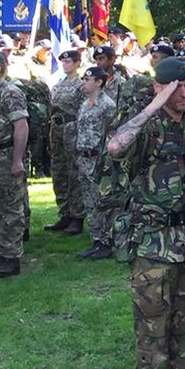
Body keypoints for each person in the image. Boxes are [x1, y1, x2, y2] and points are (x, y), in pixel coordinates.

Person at [104, 57, 185, 369]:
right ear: (160, 87)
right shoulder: (146, 128)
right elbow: (115, 147)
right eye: (177, 87)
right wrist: (155, 103)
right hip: (152, 239)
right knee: (152, 319)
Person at [74, 67, 117, 260]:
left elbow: (113, 133)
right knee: (89, 202)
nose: (84, 81)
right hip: (83, 158)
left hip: (99, 160)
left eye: (87, 78)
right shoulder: (85, 104)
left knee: (102, 201)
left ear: (99, 82)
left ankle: (107, 241)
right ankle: (97, 239)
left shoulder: (107, 105)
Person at [0, 52, 29, 279]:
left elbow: (21, 126)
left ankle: (10, 256)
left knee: (10, 207)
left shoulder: (10, 92)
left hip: (5, 156)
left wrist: (17, 160)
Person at [45, 50, 85, 235]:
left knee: (73, 172)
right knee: (59, 171)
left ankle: (77, 216)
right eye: (63, 62)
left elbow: (83, 111)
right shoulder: (59, 84)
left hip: (71, 129)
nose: (65, 65)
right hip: (57, 129)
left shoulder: (81, 85)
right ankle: (64, 213)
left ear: (77, 63)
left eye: (69, 61)